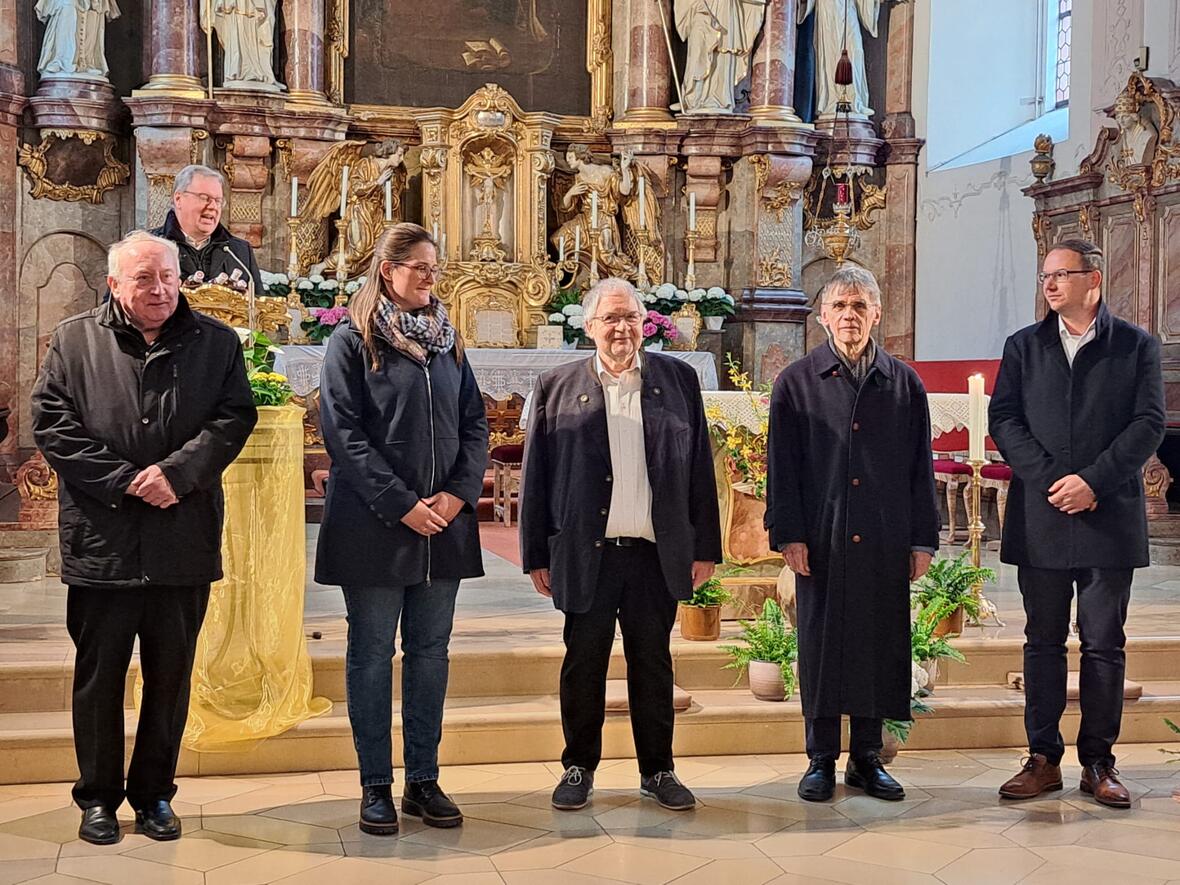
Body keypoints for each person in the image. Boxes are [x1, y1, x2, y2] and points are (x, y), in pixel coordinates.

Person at [31, 230, 256, 845]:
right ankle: (97, 798)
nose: (160, 290)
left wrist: (178, 475)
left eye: (168, 277)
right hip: (103, 538)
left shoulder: (215, 341)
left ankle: (155, 793)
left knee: (170, 676)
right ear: (113, 284)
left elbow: (234, 416)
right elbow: (53, 423)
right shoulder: (75, 339)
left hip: (182, 538)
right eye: (144, 280)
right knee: (99, 675)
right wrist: (128, 480)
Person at [518, 277, 722, 813]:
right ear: (589, 327)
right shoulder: (556, 385)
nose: (621, 328)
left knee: (652, 663)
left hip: (654, 553)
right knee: (582, 662)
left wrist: (706, 547)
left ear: (644, 323)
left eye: (630, 317)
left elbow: (701, 468)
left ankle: (658, 769)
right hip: (587, 552)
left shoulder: (677, 380)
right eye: (610, 318)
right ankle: (578, 765)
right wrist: (536, 554)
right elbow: (537, 476)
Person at [315, 223, 488, 835]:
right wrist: (401, 503)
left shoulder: (448, 343)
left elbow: (475, 425)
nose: (430, 278)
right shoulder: (351, 341)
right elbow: (343, 434)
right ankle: (375, 785)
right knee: (369, 655)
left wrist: (458, 494)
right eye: (419, 267)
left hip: (442, 525)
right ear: (387, 271)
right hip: (374, 525)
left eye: (434, 269)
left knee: (430, 653)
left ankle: (423, 779)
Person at [990, 239, 1165, 809]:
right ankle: (1043, 759)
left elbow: (1148, 424)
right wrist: (1049, 481)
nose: (1050, 284)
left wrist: (1094, 481)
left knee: (1103, 645)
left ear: (1094, 281)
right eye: (1045, 275)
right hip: (1042, 515)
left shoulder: (1135, 346)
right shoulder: (1024, 346)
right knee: (1041, 643)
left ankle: (1099, 763)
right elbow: (1005, 419)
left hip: (1108, 516)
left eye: (1062, 274)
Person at [765, 265, 939, 803]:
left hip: (885, 535)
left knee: (876, 641)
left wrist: (922, 539)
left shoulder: (903, 381)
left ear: (877, 315)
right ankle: (820, 756)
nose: (849, 316)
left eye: (860, 306)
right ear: (822, 317)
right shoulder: (796, 381)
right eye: (839, 306)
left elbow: (919, 465)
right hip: (822, 534)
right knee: (820, 644)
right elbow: (782, 467)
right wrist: (789, 533)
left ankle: (867, 757)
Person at [152, 165, 263, 295]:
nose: (213, 207)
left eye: (218, 201)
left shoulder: (239, 251)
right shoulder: (150, 246)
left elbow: (259, 306)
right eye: (205, 198)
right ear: (178, 199)